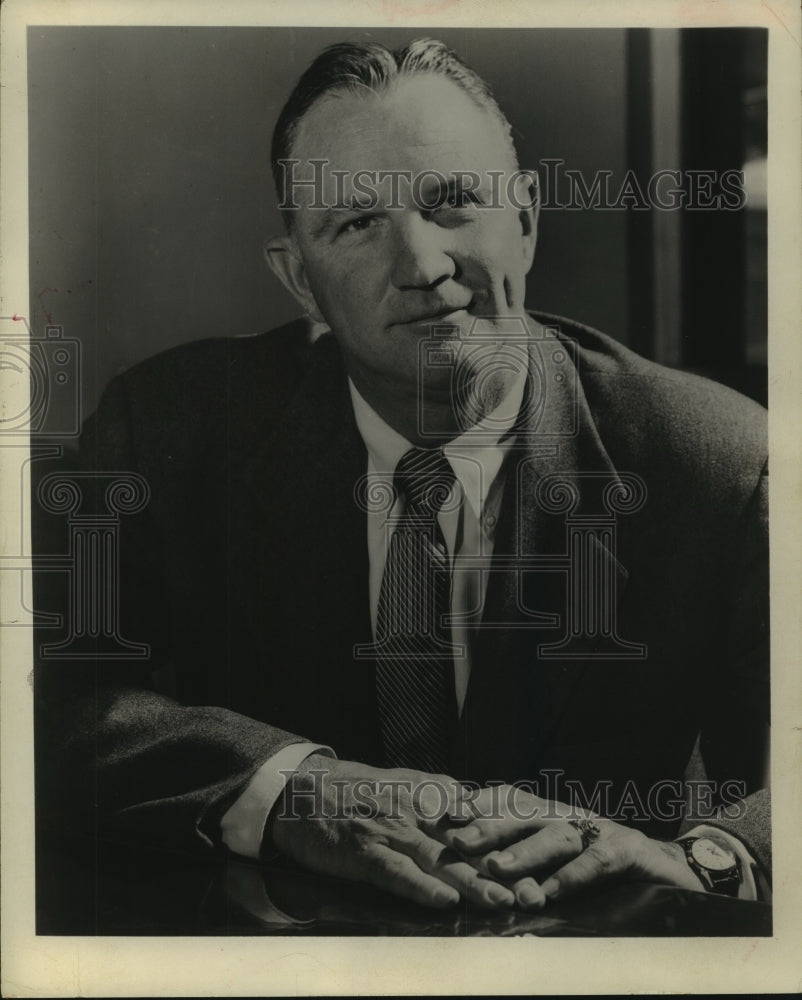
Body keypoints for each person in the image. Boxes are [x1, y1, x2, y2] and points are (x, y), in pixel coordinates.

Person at [35, 38, 770, 916]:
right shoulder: (166, 428)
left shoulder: (718, 460)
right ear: (299, 278)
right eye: (355, 224)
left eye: (454, 201)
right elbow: (39, 694)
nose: (423, 268)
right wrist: (286, 789)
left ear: (527, 220)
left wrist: (706, 855)